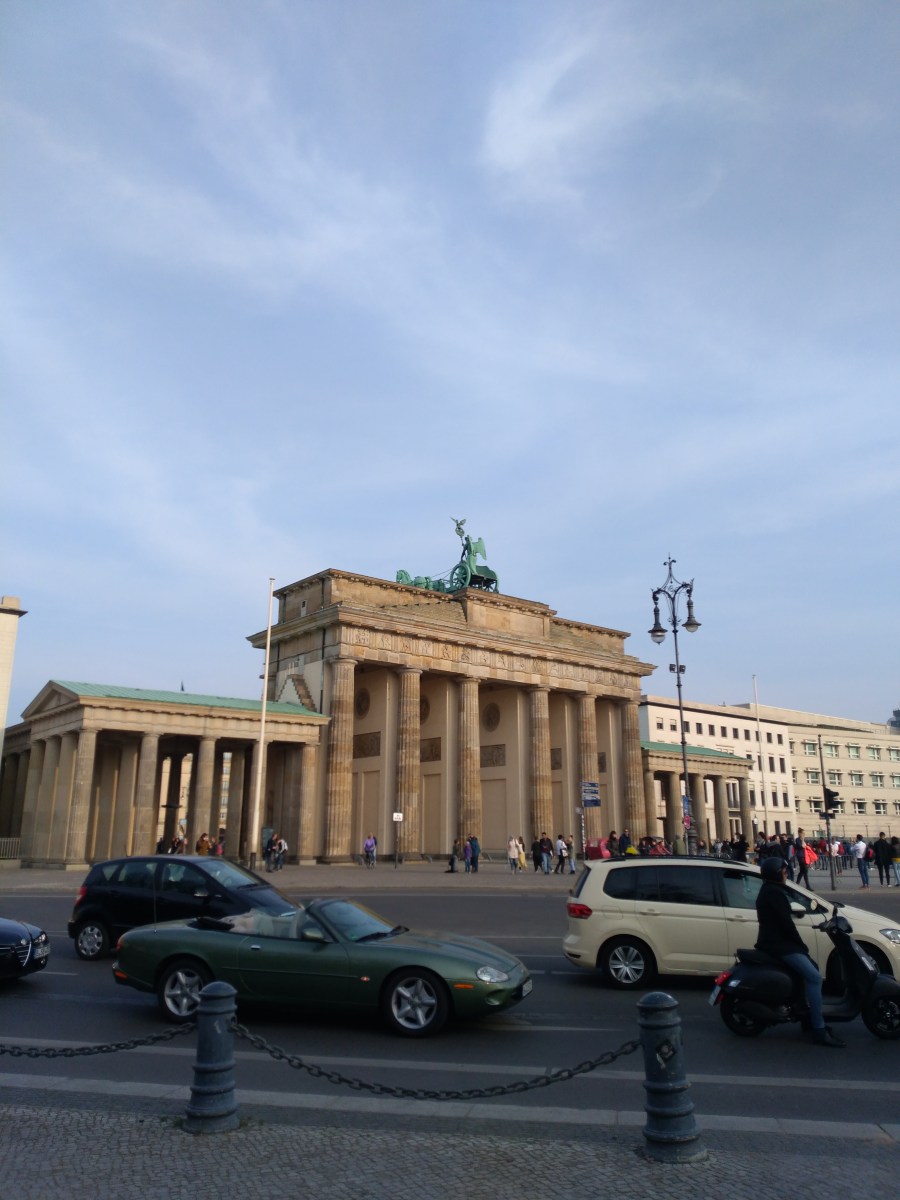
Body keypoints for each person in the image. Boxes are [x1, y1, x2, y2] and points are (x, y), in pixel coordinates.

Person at [755, 856, 844, 1047]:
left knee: (810, 968)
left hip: (776, 942)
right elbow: (786, 925)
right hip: (778, 944)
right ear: (776, 873)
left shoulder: (770, 890)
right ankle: (818, 1028)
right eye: (784, 871)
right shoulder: (774, 894)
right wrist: (801, 945)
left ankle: (806, 1017)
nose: (787, 874)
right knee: (814, 977)